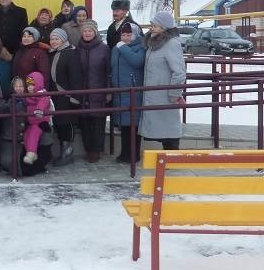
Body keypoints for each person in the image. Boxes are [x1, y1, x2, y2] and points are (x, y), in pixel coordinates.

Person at [139, 11, 186, 150]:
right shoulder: (153, 43)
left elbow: (179, 72)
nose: (151, 27)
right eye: (152, 25)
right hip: (153, 94)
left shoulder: (171, 44)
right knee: (163, 128)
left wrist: (174, 94)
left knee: (169, 129)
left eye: (154, 25)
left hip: (165, 95)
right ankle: (168, 157)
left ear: (164, 27)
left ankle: (172, 157)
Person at [111, 23, 146, 163]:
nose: (125, 38)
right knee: (123, 124)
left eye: (128, 35)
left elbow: (136, 61)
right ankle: (124, 153)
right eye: (123, 35)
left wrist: (123, 47)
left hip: (133, 91)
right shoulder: (116, 48)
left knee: (133, 124)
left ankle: (134, 154)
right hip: (119, 90)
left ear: (135, 35)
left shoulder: (141, 47)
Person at [77, 19, 110, 162]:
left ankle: (96, 151)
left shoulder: (104, 49)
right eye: (85, 31)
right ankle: (88, 149)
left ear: (95, 33)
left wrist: (108, 90)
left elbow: (109, 71)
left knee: (98, 122)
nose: (87, 33)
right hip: (82, 92)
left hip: (99, 90)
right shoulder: (77, 48)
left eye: (90, 31)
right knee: (85, 122)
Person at [47, 28, 82, 165]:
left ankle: (68, 154)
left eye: (56, 39)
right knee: (59, 124)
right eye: (52, 39)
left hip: (66, 96)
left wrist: (75, 97)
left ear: (63, 39)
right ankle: (63, 152)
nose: (54, 41)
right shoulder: (51, 53)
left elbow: (75, 76)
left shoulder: (70, 53)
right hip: (55, 96)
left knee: (66, 124)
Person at [22, 72, 52, 165]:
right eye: (28, 85)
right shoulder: (29, 96)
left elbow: (43, 102)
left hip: (40, 121)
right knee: (27, 135)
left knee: (33, 135)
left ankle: (30, 154)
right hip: (32, 121)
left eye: (32, 85)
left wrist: (39, 109)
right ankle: (33, 153)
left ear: (38, 84)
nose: (30, 87)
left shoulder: (41, 94)